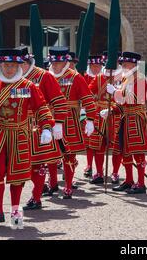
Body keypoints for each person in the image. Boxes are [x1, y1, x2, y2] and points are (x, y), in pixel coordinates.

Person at [0, 48, 54, 227]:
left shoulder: (28, 86)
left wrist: (46, 127)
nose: (9, 69)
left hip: (20, 134)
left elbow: (41, 107)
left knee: (18, 174)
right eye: (6, 65)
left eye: (13, 65)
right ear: (0, 64)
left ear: (19, 66)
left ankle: (15, 210)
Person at [17, 46, 69, 210]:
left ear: (26, 62)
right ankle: (38, 189)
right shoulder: (11, 77)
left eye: (18, 64)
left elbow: (59, 101)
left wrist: (58, 123)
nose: (14, 68)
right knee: (19, 164)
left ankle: (36, 196)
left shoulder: (43, 76)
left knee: (37, 163)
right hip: (17, 127)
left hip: (39, 125)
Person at [47, 46, 96, 199]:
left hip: (70, 119)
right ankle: (52, 183)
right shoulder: (46, 76)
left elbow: (88, 99)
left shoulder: (75, 77)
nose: (55, 66)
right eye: (53, 63)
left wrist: (90, 119)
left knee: (69, 155)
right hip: (50, 119)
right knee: (49, 154)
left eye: (58, 63)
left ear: (65, 62)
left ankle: (68, 186)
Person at [105, 51, 147, 194]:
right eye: (123, 64)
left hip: (136, 119)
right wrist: (112, 110)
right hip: (125, 118)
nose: (124, 66)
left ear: (134, 64)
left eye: (126, 63)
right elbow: (123, 103)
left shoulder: (140, 78)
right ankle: (128, 180)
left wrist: (115, 92)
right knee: (124, 151)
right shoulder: (127, 79)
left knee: (137, 151)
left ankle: (141, 183)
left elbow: (133, 99)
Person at [87, 52, 123, 184]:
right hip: (99, 114)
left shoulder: (123, 78)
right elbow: (88, 93)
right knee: (98, 146)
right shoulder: (99, 78)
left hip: (116, 114)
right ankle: (99, 172)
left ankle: (115, 173)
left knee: (117, 146)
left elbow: (125, 97)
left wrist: (116, 92)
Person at [83, 54, 105, 178]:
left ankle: (104, 169)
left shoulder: (105, 77)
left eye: (98, 66)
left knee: (99, 143)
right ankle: (89, 165)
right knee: (88, 141)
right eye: (93, 66)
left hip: (102, 112)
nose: (96, 68)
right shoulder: (84, 76)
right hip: (88, 111)